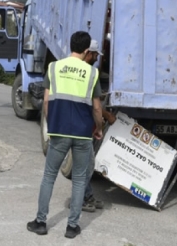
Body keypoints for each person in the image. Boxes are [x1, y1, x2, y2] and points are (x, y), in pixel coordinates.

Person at [27, 31, 104, 239]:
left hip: (58, 131)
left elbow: (45, 102)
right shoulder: (91, 73)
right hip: (82, 134)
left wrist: (51, 125)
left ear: (71, 46)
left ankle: (41, 222)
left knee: (49, 176)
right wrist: (98, 128)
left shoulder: (54, 68)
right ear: (87, 50)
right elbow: (97, 109)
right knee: (79, 179)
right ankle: (72, 227)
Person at [79, 39, 116, 212]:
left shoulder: (74, 70)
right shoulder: (90, 73)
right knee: (86, 166)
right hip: (82, 127)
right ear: (88, 53)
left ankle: (86, 195)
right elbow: (93, 104)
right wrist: (105, 118)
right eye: (95, 55)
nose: (96, 58)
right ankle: (81, 200)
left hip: (75, 125)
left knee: (86, 165)